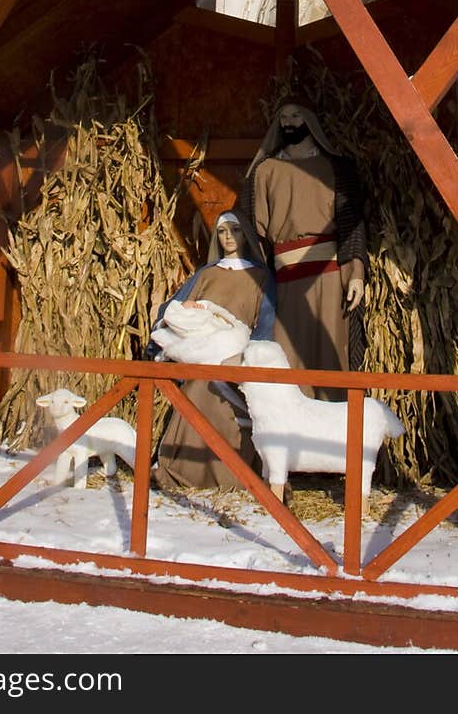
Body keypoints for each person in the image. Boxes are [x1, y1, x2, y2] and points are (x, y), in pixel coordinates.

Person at [238, 100, 367, 401]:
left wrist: (356, 273)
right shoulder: (265, 171)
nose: (289, 122)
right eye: (283, 116)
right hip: (284, 284)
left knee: (331, 357)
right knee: (286, 363)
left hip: (330, 279)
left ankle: (337, 433)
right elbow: (253, 232)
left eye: (296, 115)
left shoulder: (336, 168)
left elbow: (352, 224)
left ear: (310, 120)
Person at [150, 210, 276, 493]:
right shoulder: (205, 275)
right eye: (222, 231)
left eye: (235, 230)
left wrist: (252, 353)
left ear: (245, 234)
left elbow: (266, 320)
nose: (228, 236)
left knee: (220, 392)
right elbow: (173, 308)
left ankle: (231, 475)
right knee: (198, 387)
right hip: (200, 351)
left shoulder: (261, 276)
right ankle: (181, 470)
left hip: (235, 351)